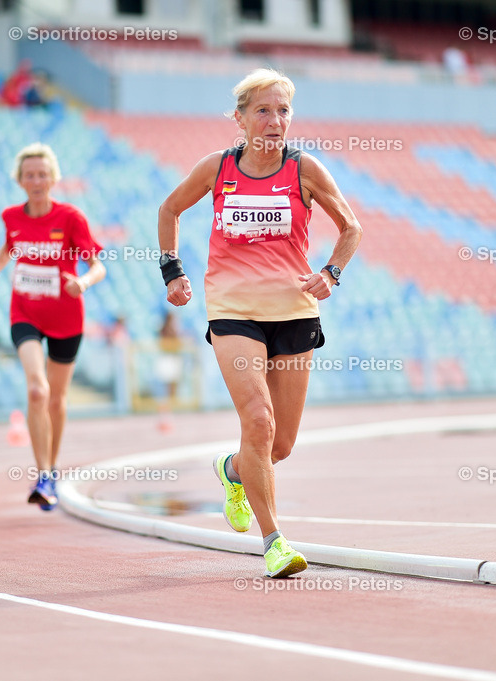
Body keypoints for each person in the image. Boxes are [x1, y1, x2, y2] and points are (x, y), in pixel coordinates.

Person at [158, 67, 362, 578]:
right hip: (232, 310)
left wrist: (331, 273)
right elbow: (169, 209)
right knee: (259, 420)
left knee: (280, 445)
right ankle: (274, 543)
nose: (275, 121)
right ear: (241, 118)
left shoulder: (305, 169)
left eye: (283, 111)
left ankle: (232, 470)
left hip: (293, 311)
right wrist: (172, 271)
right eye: (263, 111)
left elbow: (351, 227)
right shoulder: (217, 167)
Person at [0, 143, 106, 510]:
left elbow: (98, 266)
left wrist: (83, 282)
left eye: (42, 174)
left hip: (66, 317)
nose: (36, 181)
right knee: (37, 391)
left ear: (53, 179)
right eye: (29, 175)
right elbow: (9, 246)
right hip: (25, 313)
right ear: (20, 180)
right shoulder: (11, 216)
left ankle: (52, 466)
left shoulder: (71, 218)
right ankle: (44, 474)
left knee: (57, 399)